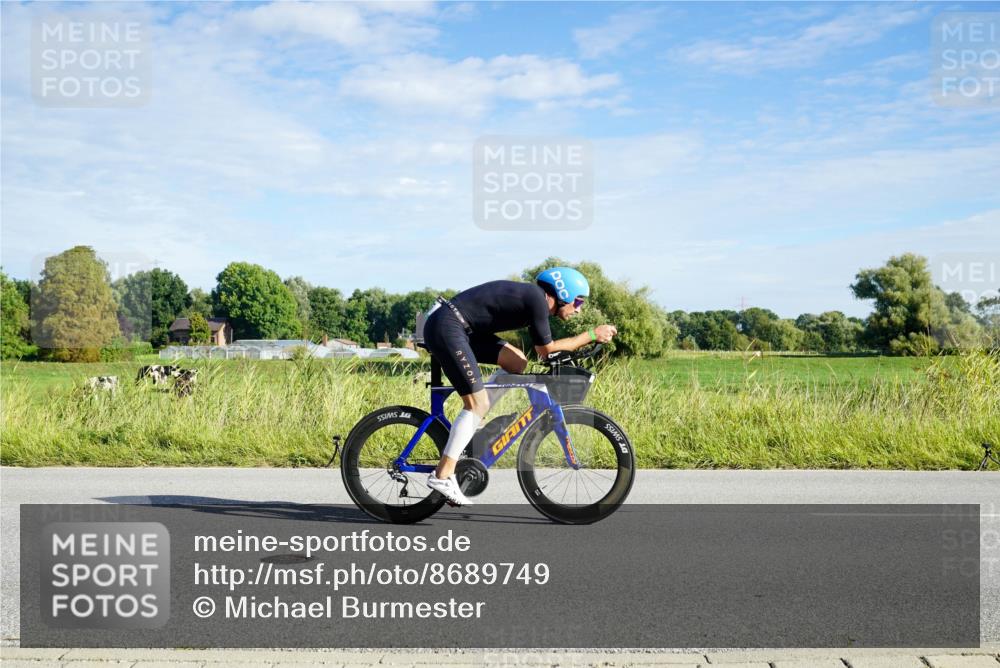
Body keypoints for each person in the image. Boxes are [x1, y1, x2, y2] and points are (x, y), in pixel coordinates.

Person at [421, 267, 618, 506]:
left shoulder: (535, 301)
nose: (579, 309)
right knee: (476, 404)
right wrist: (591, 335)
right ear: (563, 293)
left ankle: (478, 420)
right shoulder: (537, 300)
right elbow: (547, 351)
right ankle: (442, 476)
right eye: (578, 302)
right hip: (448, 327)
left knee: (517, 362)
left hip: (462, 329)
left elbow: (544, 353)